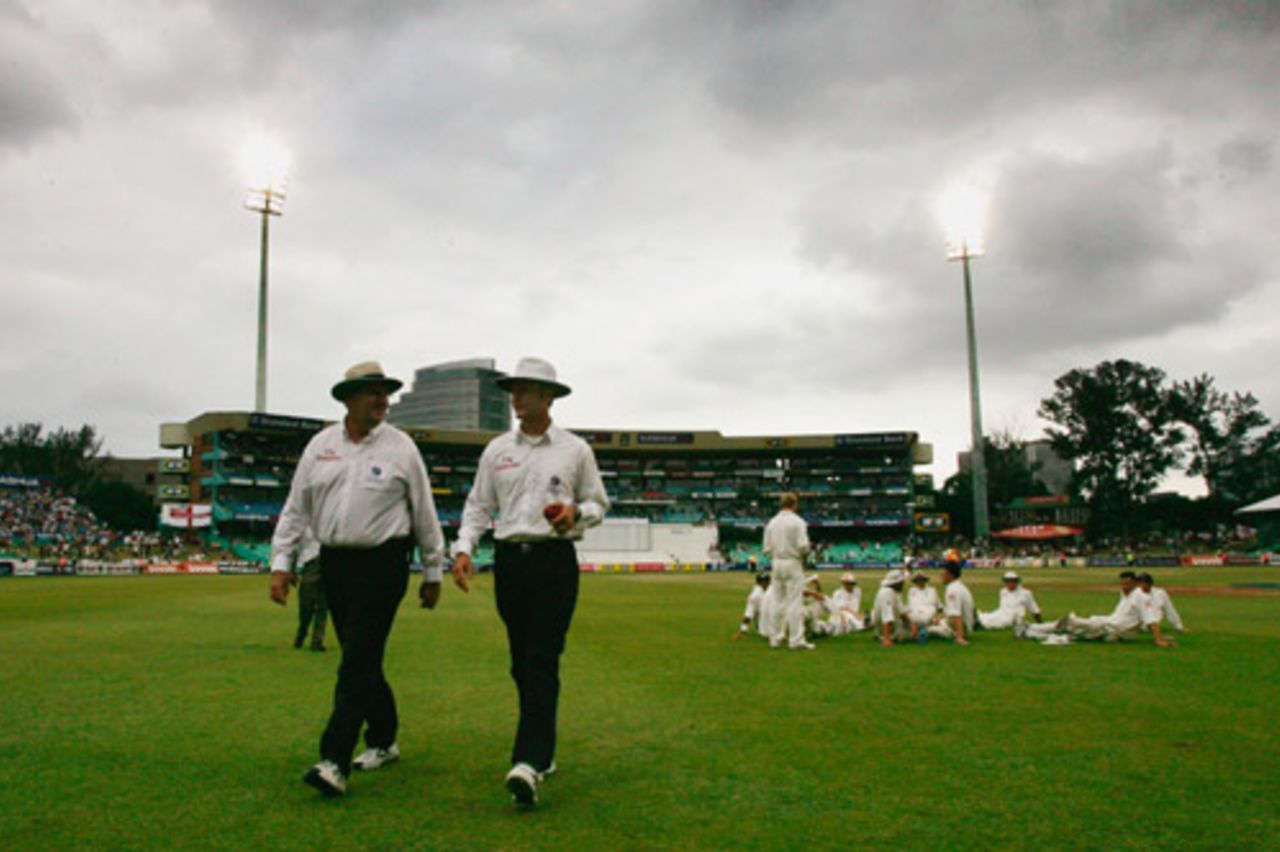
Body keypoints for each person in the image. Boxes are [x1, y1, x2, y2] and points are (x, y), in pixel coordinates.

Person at [269, 361, 446, 798]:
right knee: (360, 658)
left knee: (356, 660)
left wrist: (432, 569)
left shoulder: (401, 448)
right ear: (349, 398)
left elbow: (424, 511)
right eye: (373, 392)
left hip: (383, 564)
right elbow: (296, 508)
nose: (382, 399)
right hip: (334, 563)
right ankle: (384, 739)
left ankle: (335, 759)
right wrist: (281, 561)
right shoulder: (320, 446)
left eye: (385, 392)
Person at [450, 357, 609, 807]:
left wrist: (575, 513)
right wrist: (464, 548)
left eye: (524, 390)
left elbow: (598, 503)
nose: (515, 398)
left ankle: (529, 761)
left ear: (548, 396)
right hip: (509, 563)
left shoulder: (575, 450)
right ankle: (543, 748)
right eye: (513, 390)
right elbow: (478, 505)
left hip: (553, 561)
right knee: (522, 663)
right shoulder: (497, 450)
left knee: (540, 658)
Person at [1020, 571, 1175, 647]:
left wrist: (1159, 639)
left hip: (1111, 629)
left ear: (1135, 583)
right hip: (1106, 624)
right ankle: (1032, 629)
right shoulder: (1127, 594)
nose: (1124, 587)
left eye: (1128, 583)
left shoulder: (1141, 597)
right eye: (1122, 583)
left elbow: (1151, 620)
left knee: (1070, 624)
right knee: (1072, 631)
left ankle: (1031, 630)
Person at [762, 492, 814, 651]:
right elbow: (803, 546)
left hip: (776, 563)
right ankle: (796, 640)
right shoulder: (798, 522)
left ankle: (775, 638)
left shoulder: (772, 523)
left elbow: (766, 549)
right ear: (795, 504)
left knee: (777, 602)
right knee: (794, 603)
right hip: (793, 562)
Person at [291, 526, 328, 651]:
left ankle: (317, 642)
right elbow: (294, 549)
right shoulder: (303, 526)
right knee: (306, 607)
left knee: (322, 607)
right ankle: (301, 634)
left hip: (327, 564)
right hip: (310, 565)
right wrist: (291, 570)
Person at [977, 571, 1043, 630]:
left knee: (995, 622)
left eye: (1012, 581)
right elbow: (1002, 608)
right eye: (1008, 581)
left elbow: (1034, 609)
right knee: (985, 616)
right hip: (1001, 613)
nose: (1010, 583)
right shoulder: (1003, 591)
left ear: (1016, 581)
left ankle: (982, 625)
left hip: (1014, 618)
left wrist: (1040, 624)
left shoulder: (1025, 593)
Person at [928, 564, 975, 644]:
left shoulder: (953, 589)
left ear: (949, 575)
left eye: (943, 573)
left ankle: (957, 634)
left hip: (957, 629)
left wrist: (959, 637)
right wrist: (940, 619)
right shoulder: (959, 586)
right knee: (932, 621)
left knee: (927, 630)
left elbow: (956, 614)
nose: (941, 575)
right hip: (963, 625)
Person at [870, 568, 915, 646]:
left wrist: (912, 625)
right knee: (924, 633)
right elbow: (886, 617)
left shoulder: (895, 593)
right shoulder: (886, 593)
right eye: (901, 582)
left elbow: (901, 611)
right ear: (897, 583)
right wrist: (887, 640)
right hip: (888, 629)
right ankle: (884, 636)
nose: (903, 584)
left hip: (894, 625)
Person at [735, 572, 772, 638]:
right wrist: (743, 630)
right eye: (763, 581)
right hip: (763, 624)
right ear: (758, 583)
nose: (766, 583)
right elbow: (748, 614)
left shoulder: (771, 589)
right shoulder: (755, 596)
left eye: (767, 581)